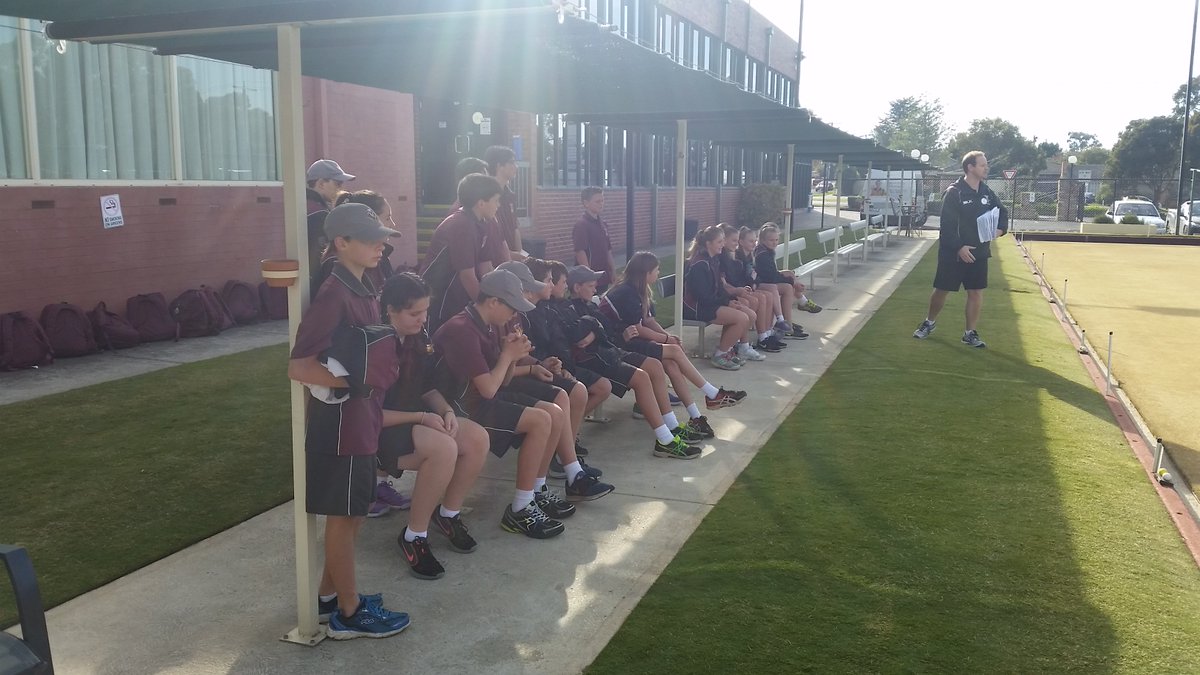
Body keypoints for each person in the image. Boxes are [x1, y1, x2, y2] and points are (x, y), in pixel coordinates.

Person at [286, 203, 410, 640]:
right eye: (370, 238)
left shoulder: (365, 283)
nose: (381, 245)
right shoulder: (334, 292)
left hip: (363, 421)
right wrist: (351, 384)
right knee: (343, 518)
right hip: (341, 427)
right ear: (341, 243)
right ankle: (349, 613)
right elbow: (299, 367)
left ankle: (328, 597)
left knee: (354, 515)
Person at [431, 269, 611, 540]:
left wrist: (515, 357)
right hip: (457, 409)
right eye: (511, 307)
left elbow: (499, 383)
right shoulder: (462, 329)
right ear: (493, 302)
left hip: (477, 399)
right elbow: (490, 389)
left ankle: (533, 493)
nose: (515, 315)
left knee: (552, 412)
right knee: (541, 420)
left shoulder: (485, 323)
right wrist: (508, 355)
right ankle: (520, 507)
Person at [377, 273, 489, 580]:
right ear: (390, 310)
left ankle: (448, 515)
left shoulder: (417, 338)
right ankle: (414, 536)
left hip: (413, 421)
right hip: (377, 433)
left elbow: (426, 387)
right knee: (444, 448)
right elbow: (369, 414)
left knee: (476, 438)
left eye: (425, 311)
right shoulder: (375, 344)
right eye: (414, 313)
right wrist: (422, 417)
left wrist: (445, 410)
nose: (422, 319)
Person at [530, 260, 700, 460]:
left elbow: (606, 327)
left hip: (607, 352)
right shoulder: (561, 307)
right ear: (578, 287)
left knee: (653, 367)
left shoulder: (572, 305)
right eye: (558, 282)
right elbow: (576, 337)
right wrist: (595, 327)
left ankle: (670, 428)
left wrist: (594, 329)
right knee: (640, 378)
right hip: (595, 358)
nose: (563, 286)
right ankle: (665, 439)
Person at [573, 262, 746, 412]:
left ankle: (696, 414)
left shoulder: (639, 289)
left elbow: (648, 320)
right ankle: (711, 394)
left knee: (671, 360)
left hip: (623, 342)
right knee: (672, 353)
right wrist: (664, 339)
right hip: (621, 346)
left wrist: (666, 335)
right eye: (656, 270)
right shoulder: (626, 292)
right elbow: (636, 329)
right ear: (645, 273)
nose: (658, 273)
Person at [913, 151, 1008, 348]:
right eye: (982, 165)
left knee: (975, 292)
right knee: (942, 290)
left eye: (985, 164)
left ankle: (969, 333)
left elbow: (1002, 212)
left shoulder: (987, 192)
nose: (986, 168)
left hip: (979, 253)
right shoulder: (954, 192)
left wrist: (1000, 229)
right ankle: (929, 323)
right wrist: (959, 247)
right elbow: (947, 226)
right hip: (953, 254)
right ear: (970, 167)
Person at [420, 174, 507, 332]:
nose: (498, 205)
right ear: (481, 203)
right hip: (440, 299)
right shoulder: (462, 225)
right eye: (495, 200)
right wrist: (487, 312)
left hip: (459, 298)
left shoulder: (483, 223)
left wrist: (502, 299)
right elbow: (467, 276)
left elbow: (486, 268)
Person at [683, 226, 757, 370]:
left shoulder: (713, 259)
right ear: (708, 244)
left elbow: (719, 288)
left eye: (723, 241)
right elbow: (703, 297)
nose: (723, 244)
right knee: (742, 318)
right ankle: (719, 355)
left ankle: (726, 350)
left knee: (750, 314)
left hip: (709, 303)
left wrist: (730, 300)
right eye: (719, 241)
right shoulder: (700, 264)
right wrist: (727, 302)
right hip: (696, 307)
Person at [716, 223, 776, 356]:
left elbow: (741, 277)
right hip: (720, 298)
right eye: (734, 241)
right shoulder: (721, 258)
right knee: (751, 302)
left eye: (737, 241)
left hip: (732, 291)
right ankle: (742, 344)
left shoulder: (731, 256)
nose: (736, 244)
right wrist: (738, 290)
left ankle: (763, 335)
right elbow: (724, 283)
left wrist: (746, 286)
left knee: (762, 297)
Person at [753, 223, 818, 341]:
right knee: (788, 287)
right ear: (762, 240)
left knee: (789, 273)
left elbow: (772, 274)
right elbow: (771, 277)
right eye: (771, 240)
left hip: (767, 281)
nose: (774, 242)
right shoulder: (762, 254)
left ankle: (799, 307)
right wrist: (792, 282)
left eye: (776, 240)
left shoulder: (766, 251)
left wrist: (790, 278)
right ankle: (788, 325)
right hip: (762, 284)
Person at [733, 226, 789, 353]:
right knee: (762, 297)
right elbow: (738, 278)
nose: (754, 244)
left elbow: (754, 275)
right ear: (741, 242)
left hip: (749, 287)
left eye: (754, 241)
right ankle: (746, 341)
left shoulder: (749, 256)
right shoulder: (738, 257)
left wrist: (754, 283)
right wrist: (752, 284)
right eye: (750, 241)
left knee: (768, 295)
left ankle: (766, 335)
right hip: (740, 290)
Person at [573, 187, 616, 293]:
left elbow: (608, 250)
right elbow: (580, 252)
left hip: (603, 277)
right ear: (586, 203)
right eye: (597, 201)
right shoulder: (581, 225)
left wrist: (613, 271)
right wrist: (590, 276)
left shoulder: (603, 224)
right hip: (589, 279)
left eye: (602, 201)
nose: (601, 204)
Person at [484, 146, 524, 259]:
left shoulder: (510, 195)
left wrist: (519, 253)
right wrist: (508, 255)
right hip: (492, 259)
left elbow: (515, 227)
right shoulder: (484, 195)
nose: (516, 167)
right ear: (499, 165)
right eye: (511, 162)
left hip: (511, 258)